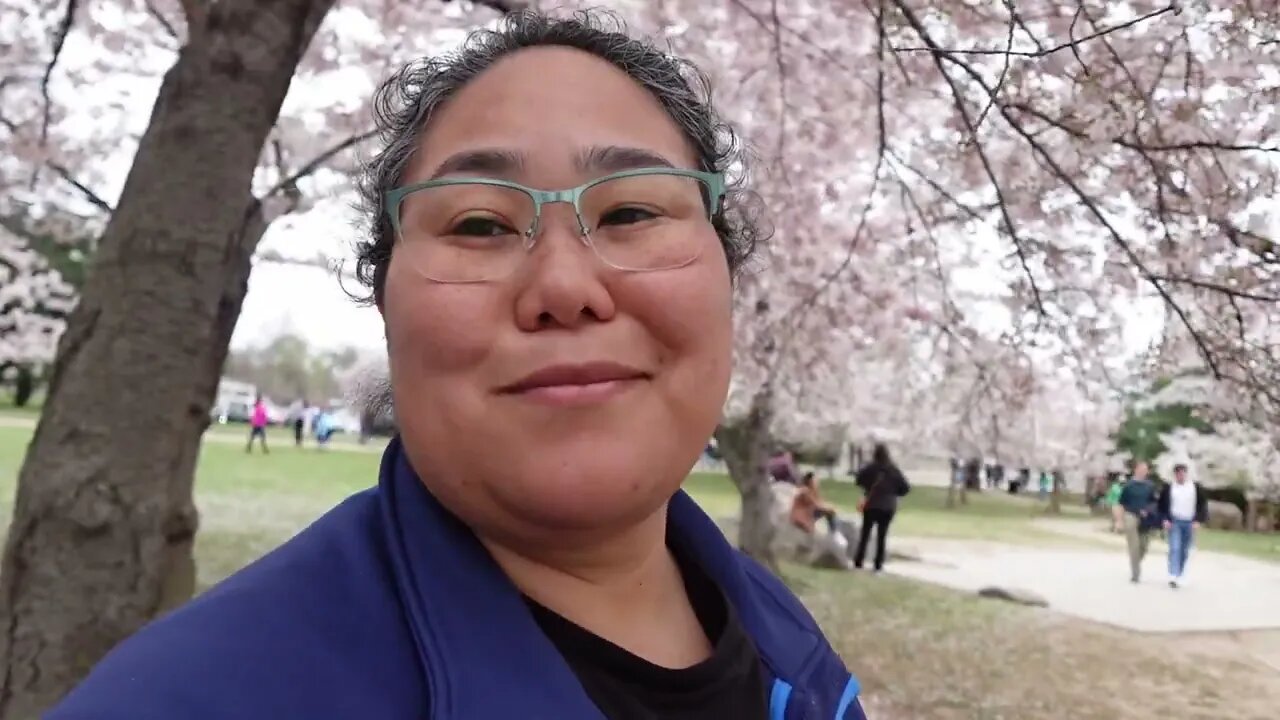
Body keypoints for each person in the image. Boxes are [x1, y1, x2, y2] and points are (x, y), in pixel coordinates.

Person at [50, 11, 867, 720]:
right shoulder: (189, 702)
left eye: (630, 210)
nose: (563, 286)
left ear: (728, 276)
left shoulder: (789, 645)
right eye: (479, 224)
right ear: (385, 302)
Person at [853, 443, 911, 572]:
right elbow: (905, 488)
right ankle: (878, 565)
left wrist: (868, 487)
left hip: (871, 504)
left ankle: (859, 561)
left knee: (865, 534)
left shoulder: (870, 468)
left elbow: (858, 480)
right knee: (882, 535)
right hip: (888, 506)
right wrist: (893, 493)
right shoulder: (894, 470)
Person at [1158, 463, 1209, 588]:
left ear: (1186, 474)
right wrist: (1165, 520)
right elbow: (1161, 506)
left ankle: (1180, 573)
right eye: (1178, 473)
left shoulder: (1195, 488)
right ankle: (1173, 574)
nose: (1180, 475)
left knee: (1184, 549)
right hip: (1175, 520)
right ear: (1175, 475)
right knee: (1175, 547)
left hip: (1189, 521)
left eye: (1182, 473)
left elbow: (1202, 505)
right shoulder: (1169, 488)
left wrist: (1198, 520)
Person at [1118, 461, 1159, 583]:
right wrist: (1119, 521)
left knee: (1144, 545)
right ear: (1136, 470)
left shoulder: (1150, 486)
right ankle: (1135, 573)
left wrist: (1149, 511)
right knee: (1134, 545)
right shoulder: (1128, 485)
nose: (1143, 472)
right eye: (1141, 469)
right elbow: (1121, 503)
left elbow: (1154, 502)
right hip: (1131, 514)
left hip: (1146, 517)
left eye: (1145, 469)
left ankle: (1135, 561)